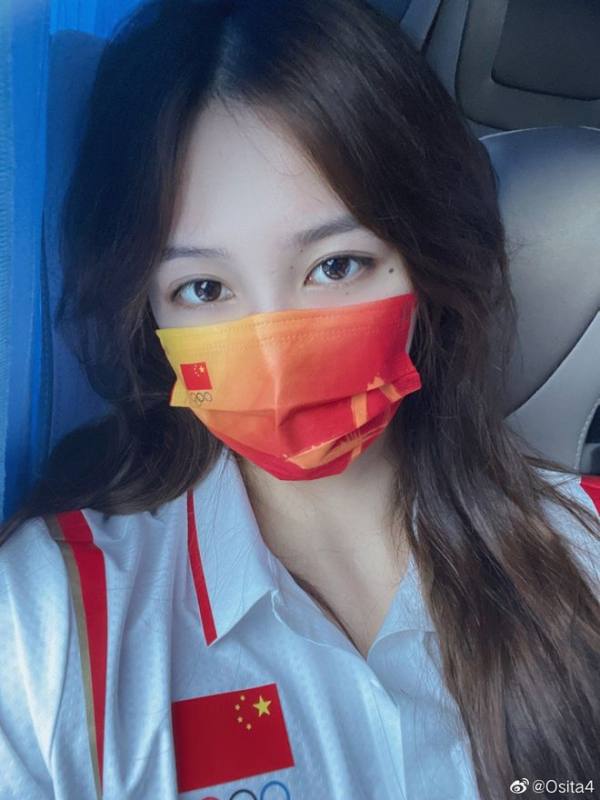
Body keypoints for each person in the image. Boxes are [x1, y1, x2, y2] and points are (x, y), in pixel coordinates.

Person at [1, 0, 599, 798]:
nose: (279, 358)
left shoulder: (585, 546)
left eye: (336, 266)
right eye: (203, 288)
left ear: (424, 269)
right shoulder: (43, 628)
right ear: (148, 318)